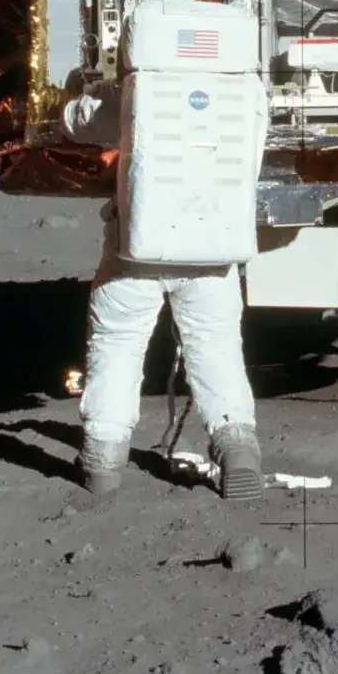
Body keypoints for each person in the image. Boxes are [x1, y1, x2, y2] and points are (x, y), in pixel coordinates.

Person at [60, 72, 264, 500]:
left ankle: (103, 459)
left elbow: (76, 122)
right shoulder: (248, 87)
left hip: (137, 249)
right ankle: (237, 448)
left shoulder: (131, 88)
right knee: (215, 345)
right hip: (213, 244)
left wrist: (77, 100)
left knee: (118, 344)